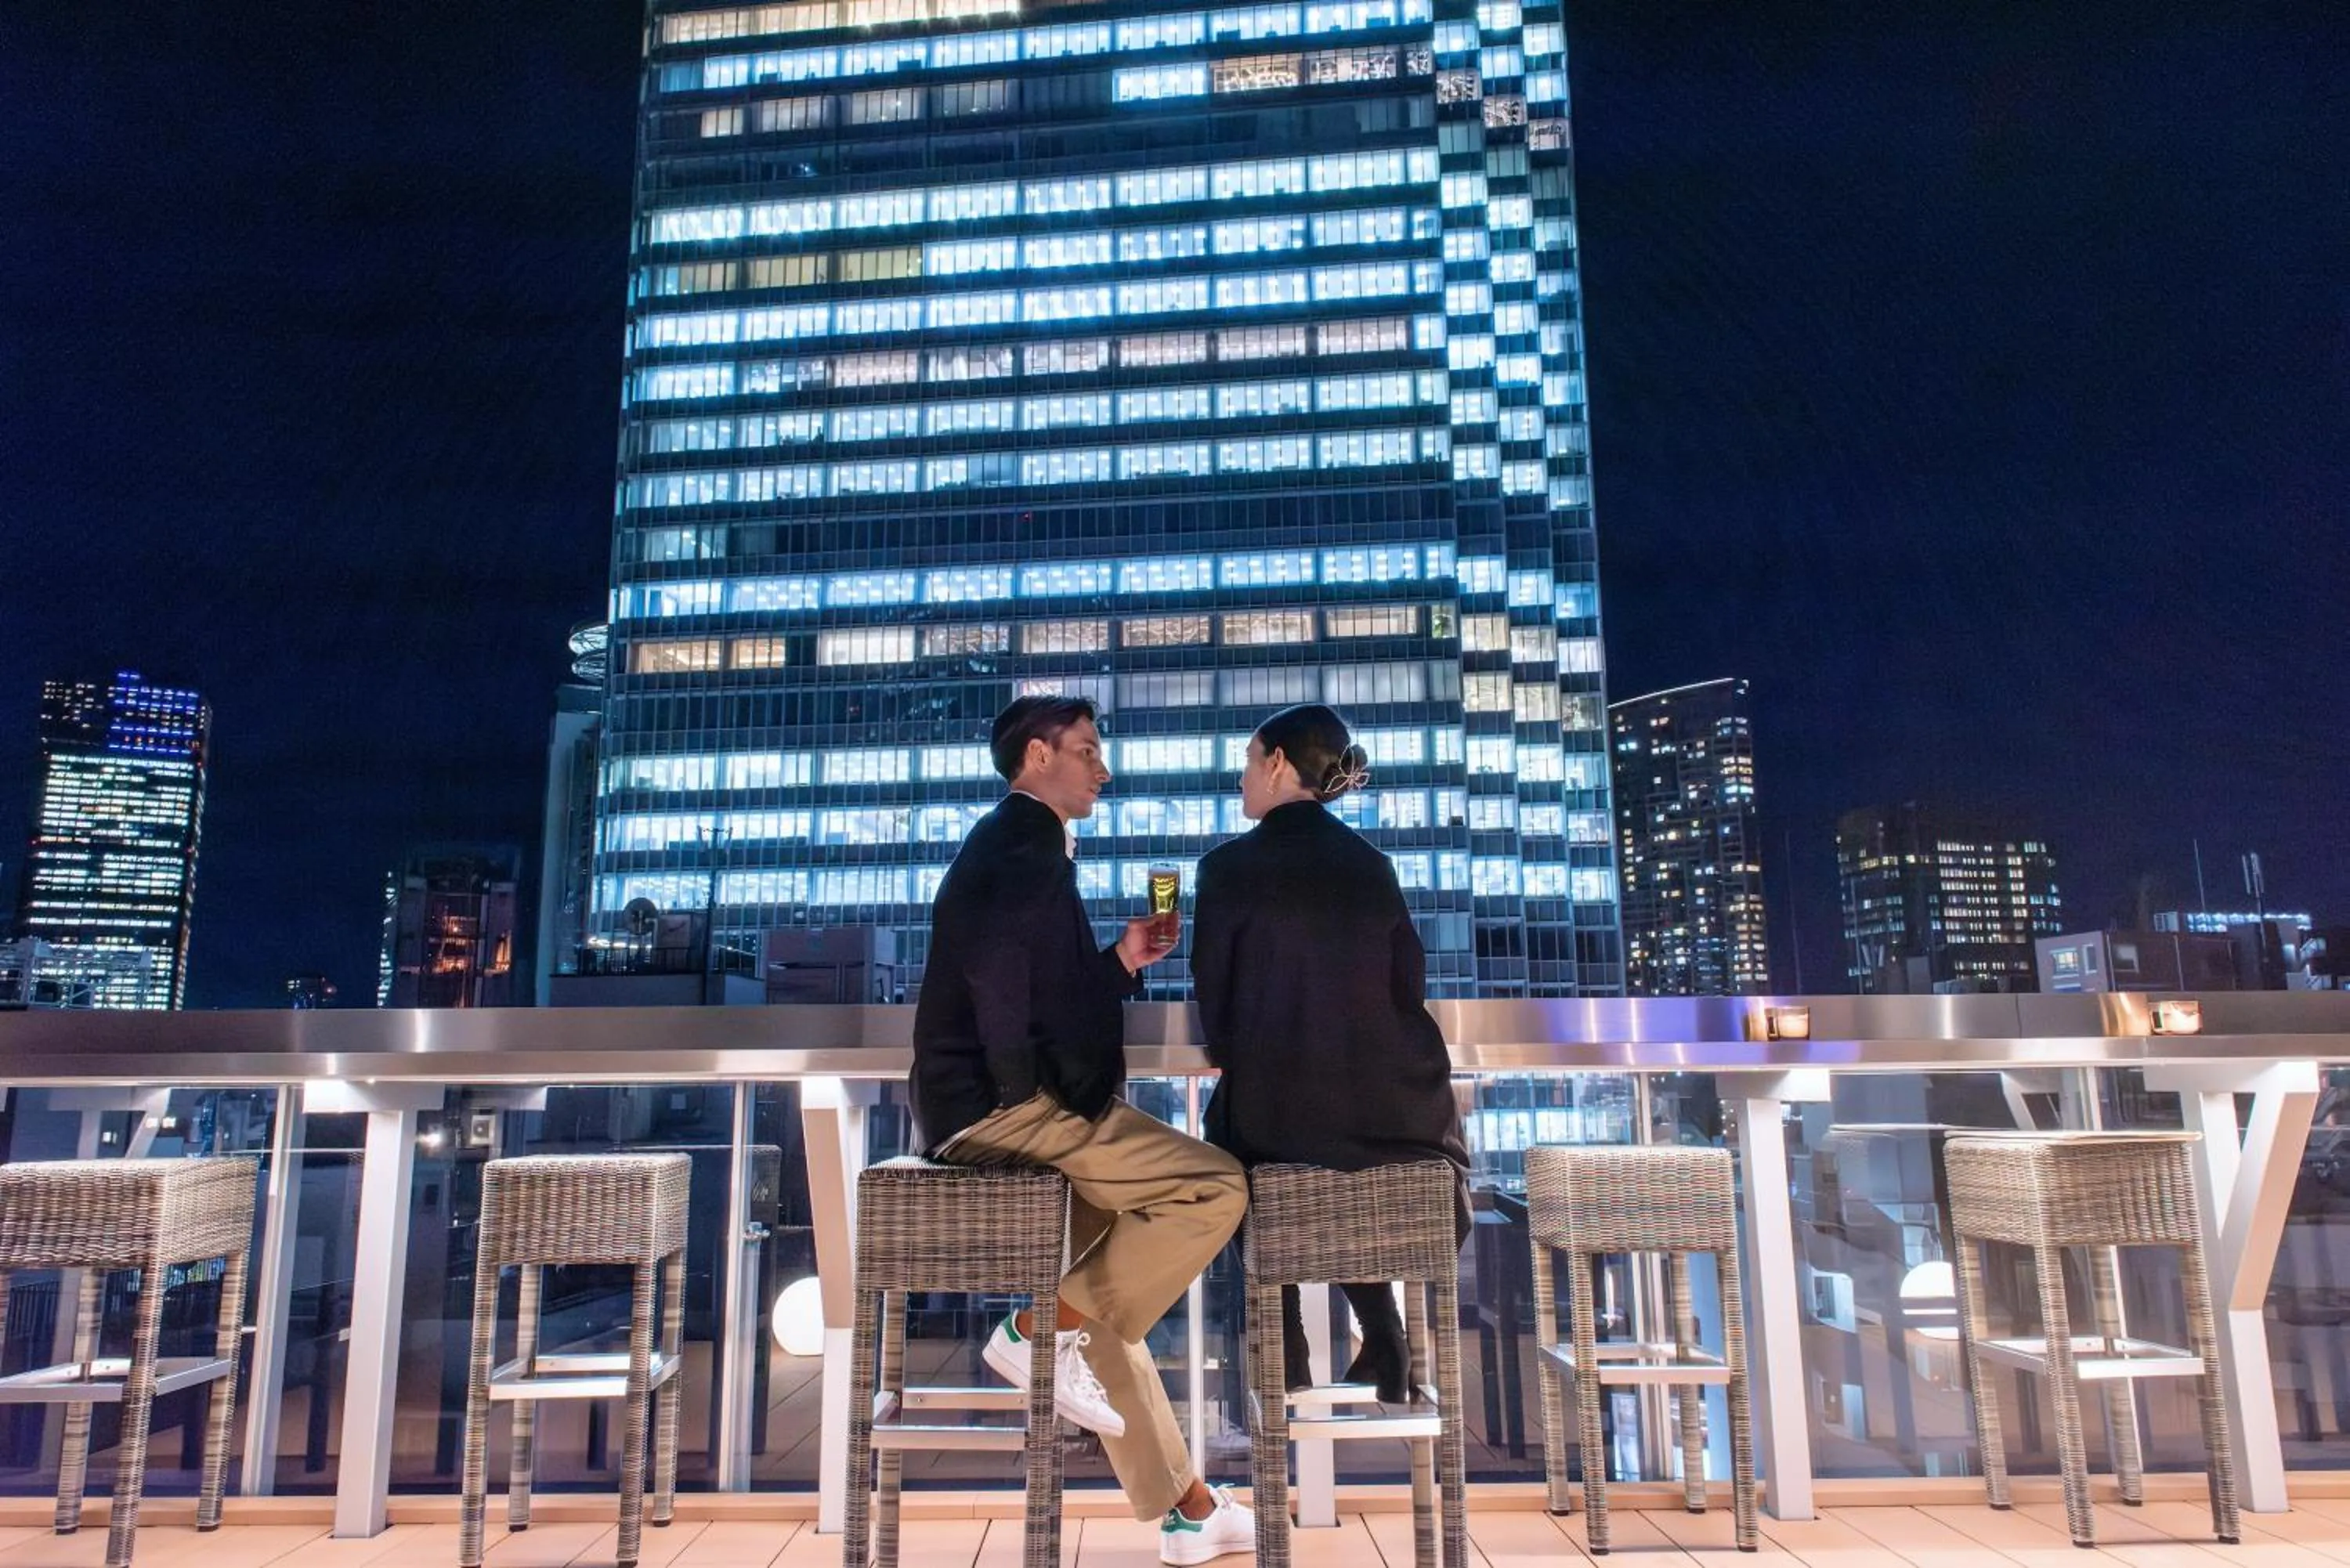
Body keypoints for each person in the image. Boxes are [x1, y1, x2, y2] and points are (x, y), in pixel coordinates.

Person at [913, 694, 1256, 1566]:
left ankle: (1186, 1509)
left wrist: (1118, 961)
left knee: (1103, 1297)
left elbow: (1036, 977)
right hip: (1005, 1108)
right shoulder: (1023, 839)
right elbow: (996, 973)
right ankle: (1037, 1329)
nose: (1104, 768)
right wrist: (1028, 1091)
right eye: (1089, 750)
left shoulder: (1017, 846)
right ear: (1037, 756)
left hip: (977, 1104)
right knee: (1213, 1185)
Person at [1190, 703, 1470, 1404]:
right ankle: (1383, 1328)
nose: (1244, 780)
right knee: (1341, 1169)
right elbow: (1408, 985)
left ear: (1278, 762)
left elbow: (1217, 1016)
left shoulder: (1226, 869)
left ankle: (1283, 1341)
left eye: (1250, 763)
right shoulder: (1372, 866)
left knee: (1236, 1158)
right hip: (1403, 1125)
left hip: (1281, 1127)